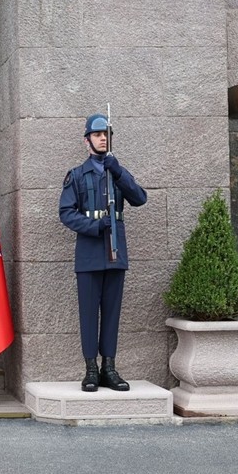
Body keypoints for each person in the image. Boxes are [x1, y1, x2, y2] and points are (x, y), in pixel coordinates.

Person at [59, 112, 147, 392]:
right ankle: (91, 370)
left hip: (115, 252)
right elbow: (66, 213)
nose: (102, 138)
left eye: (106, 134)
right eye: (97, 135)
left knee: (111, 313)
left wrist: (118, 171)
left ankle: (109, 367)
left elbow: (140, 198)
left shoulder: (116, 171)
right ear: (87, 141)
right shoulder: (76, 175)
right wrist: (95, 225)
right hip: (89, 253)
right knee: (88, 313)